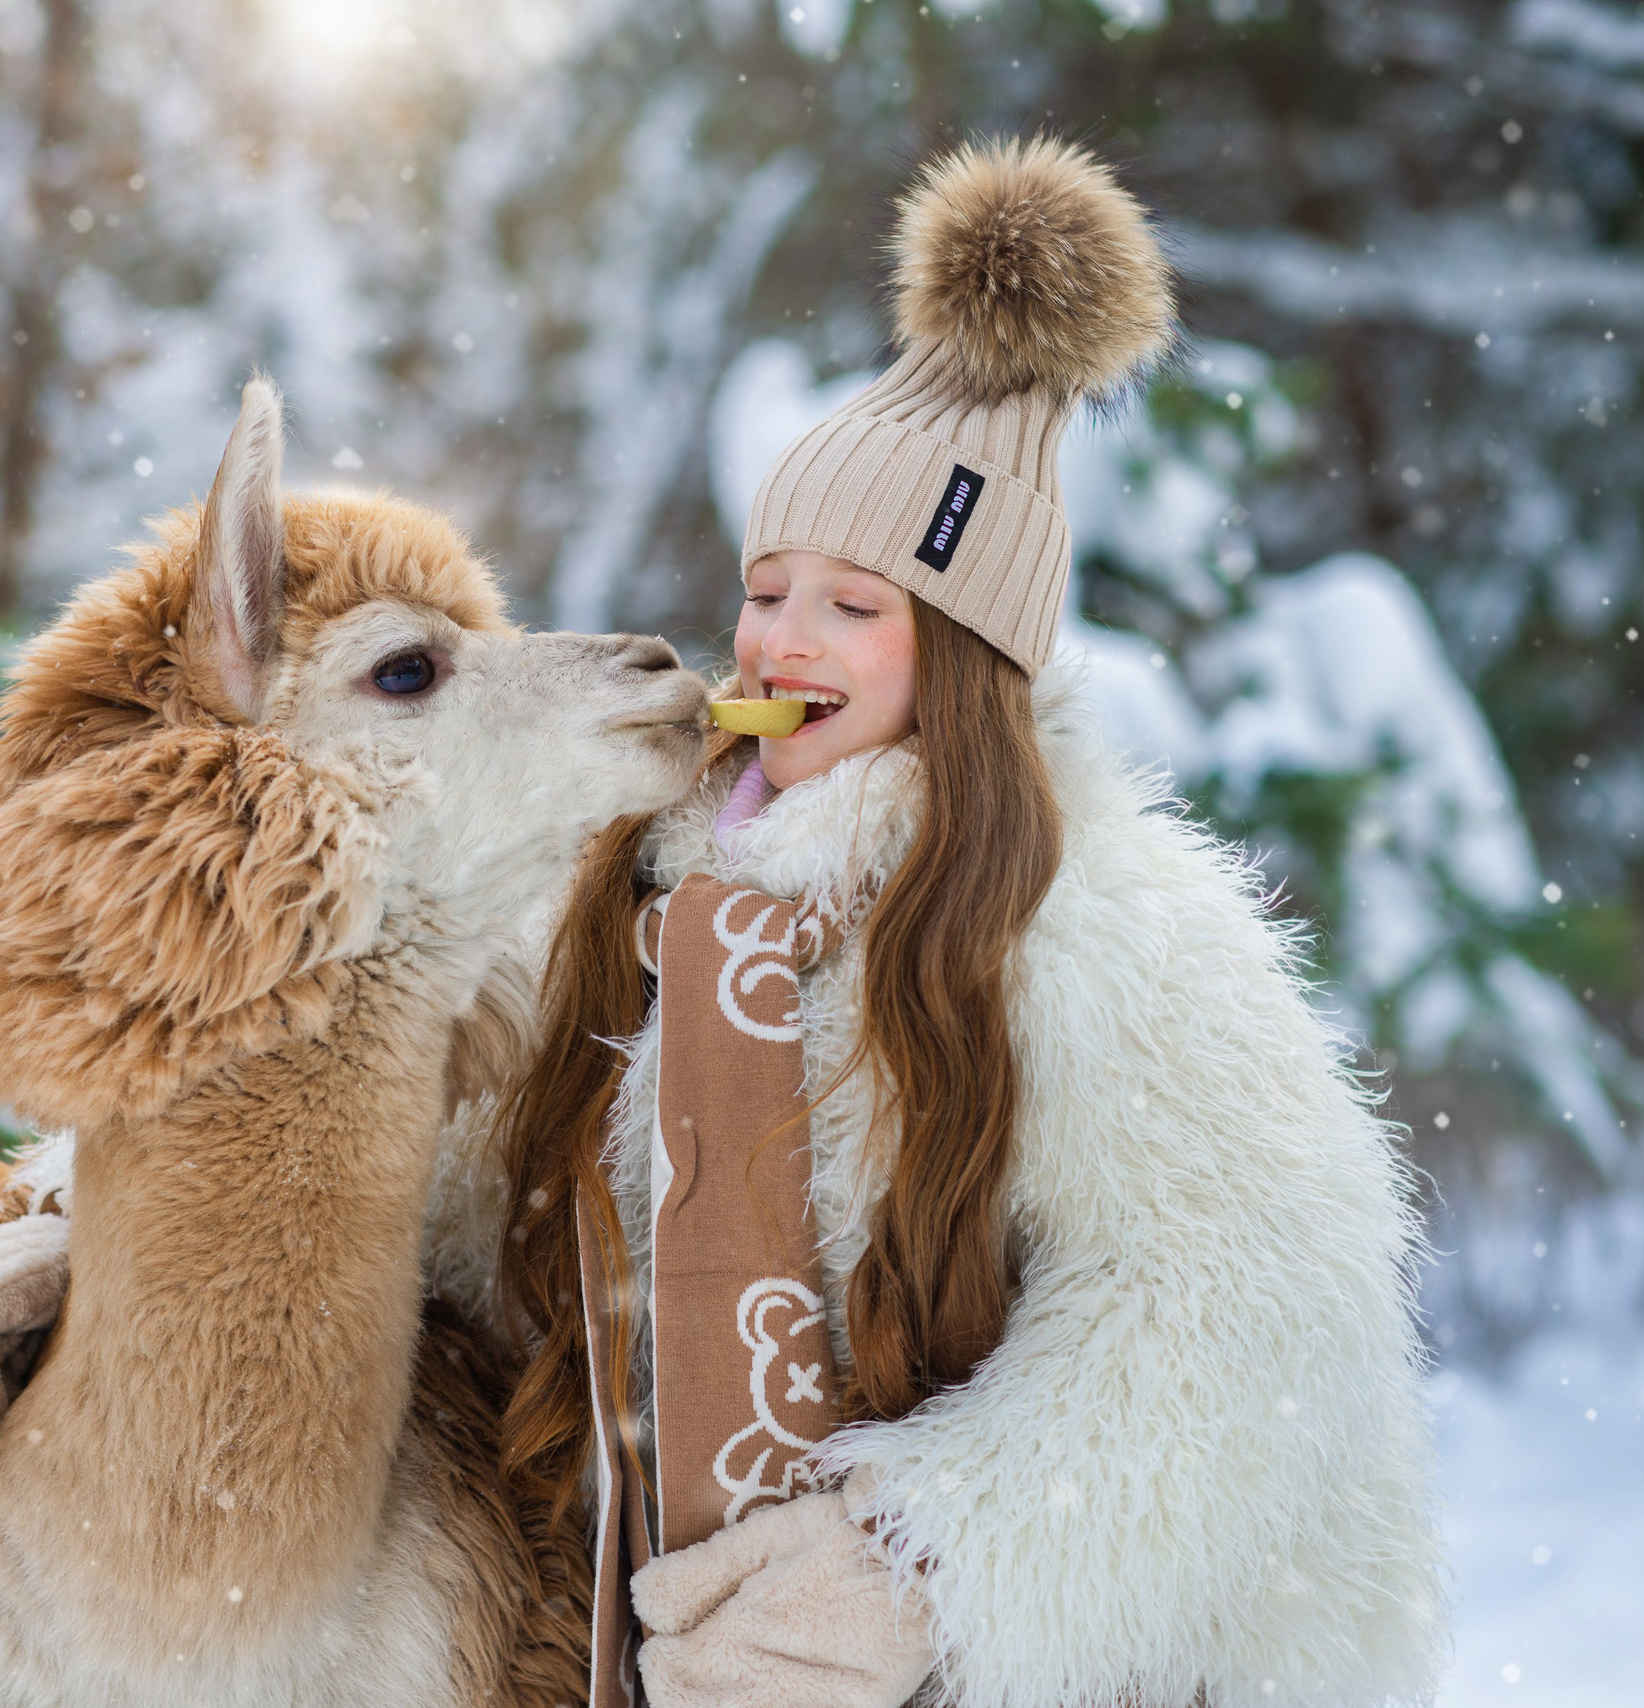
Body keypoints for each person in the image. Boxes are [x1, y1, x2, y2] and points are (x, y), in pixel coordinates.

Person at [489, 138, 1445, 1708]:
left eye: (856, 608)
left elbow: (1244, 1320)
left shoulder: (1101, 925)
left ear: (964, 657)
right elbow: (470, 1160)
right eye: (769, 586)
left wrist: (921, 1566)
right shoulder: (645, 893)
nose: (785, 638)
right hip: (694, 1639)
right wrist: (112, 1232)